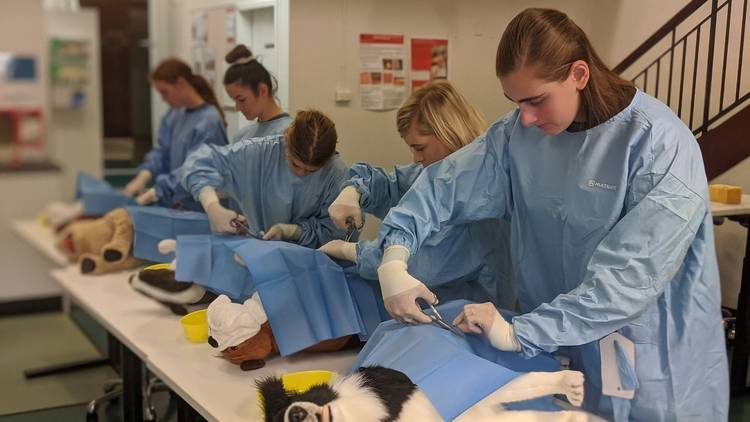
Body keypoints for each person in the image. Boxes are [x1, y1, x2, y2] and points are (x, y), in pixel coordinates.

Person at [372, 8, 728, 421]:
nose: (525, 117)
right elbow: (442, 186)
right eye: (516, 102)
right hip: (560, 343)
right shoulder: (518, 135)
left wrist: (521, 332)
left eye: (537, 100)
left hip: (649, 355)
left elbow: (628, 280)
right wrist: (395, 255)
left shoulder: (658, 145)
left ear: (579, 74)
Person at [319, 80, 514, 308]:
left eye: (420, 148)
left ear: (449, 132)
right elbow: (393, 185)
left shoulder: (479, 198)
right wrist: (355, 190)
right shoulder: (431, 174)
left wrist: (348, 250)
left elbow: (418, 263)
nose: (415, 158)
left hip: (468, 318)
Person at [181, 109, 349, 248]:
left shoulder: (337, 173)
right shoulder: (258, 154)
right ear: (287, 140)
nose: (301, 174)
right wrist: (212, 206)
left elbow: (337, 234)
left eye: (311, 171)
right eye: (295, 165)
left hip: (312, 265)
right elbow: (198, 163)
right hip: (261, 260)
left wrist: (292, 231)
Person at [124, 58, 228, 209]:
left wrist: (160, 190)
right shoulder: (175, 114)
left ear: (181, 83)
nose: (163, 99)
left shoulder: (209, 121)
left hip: (200, 208)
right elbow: (163, 150)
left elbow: (195, 168)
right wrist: (145, 174)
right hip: (177, 202)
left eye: (165, 92)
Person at [224, 44, 292, 141]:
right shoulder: (241, 137)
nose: (237, 107)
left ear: (262, 91)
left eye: (241, 100)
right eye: (234, 100)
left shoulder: (290, 136)